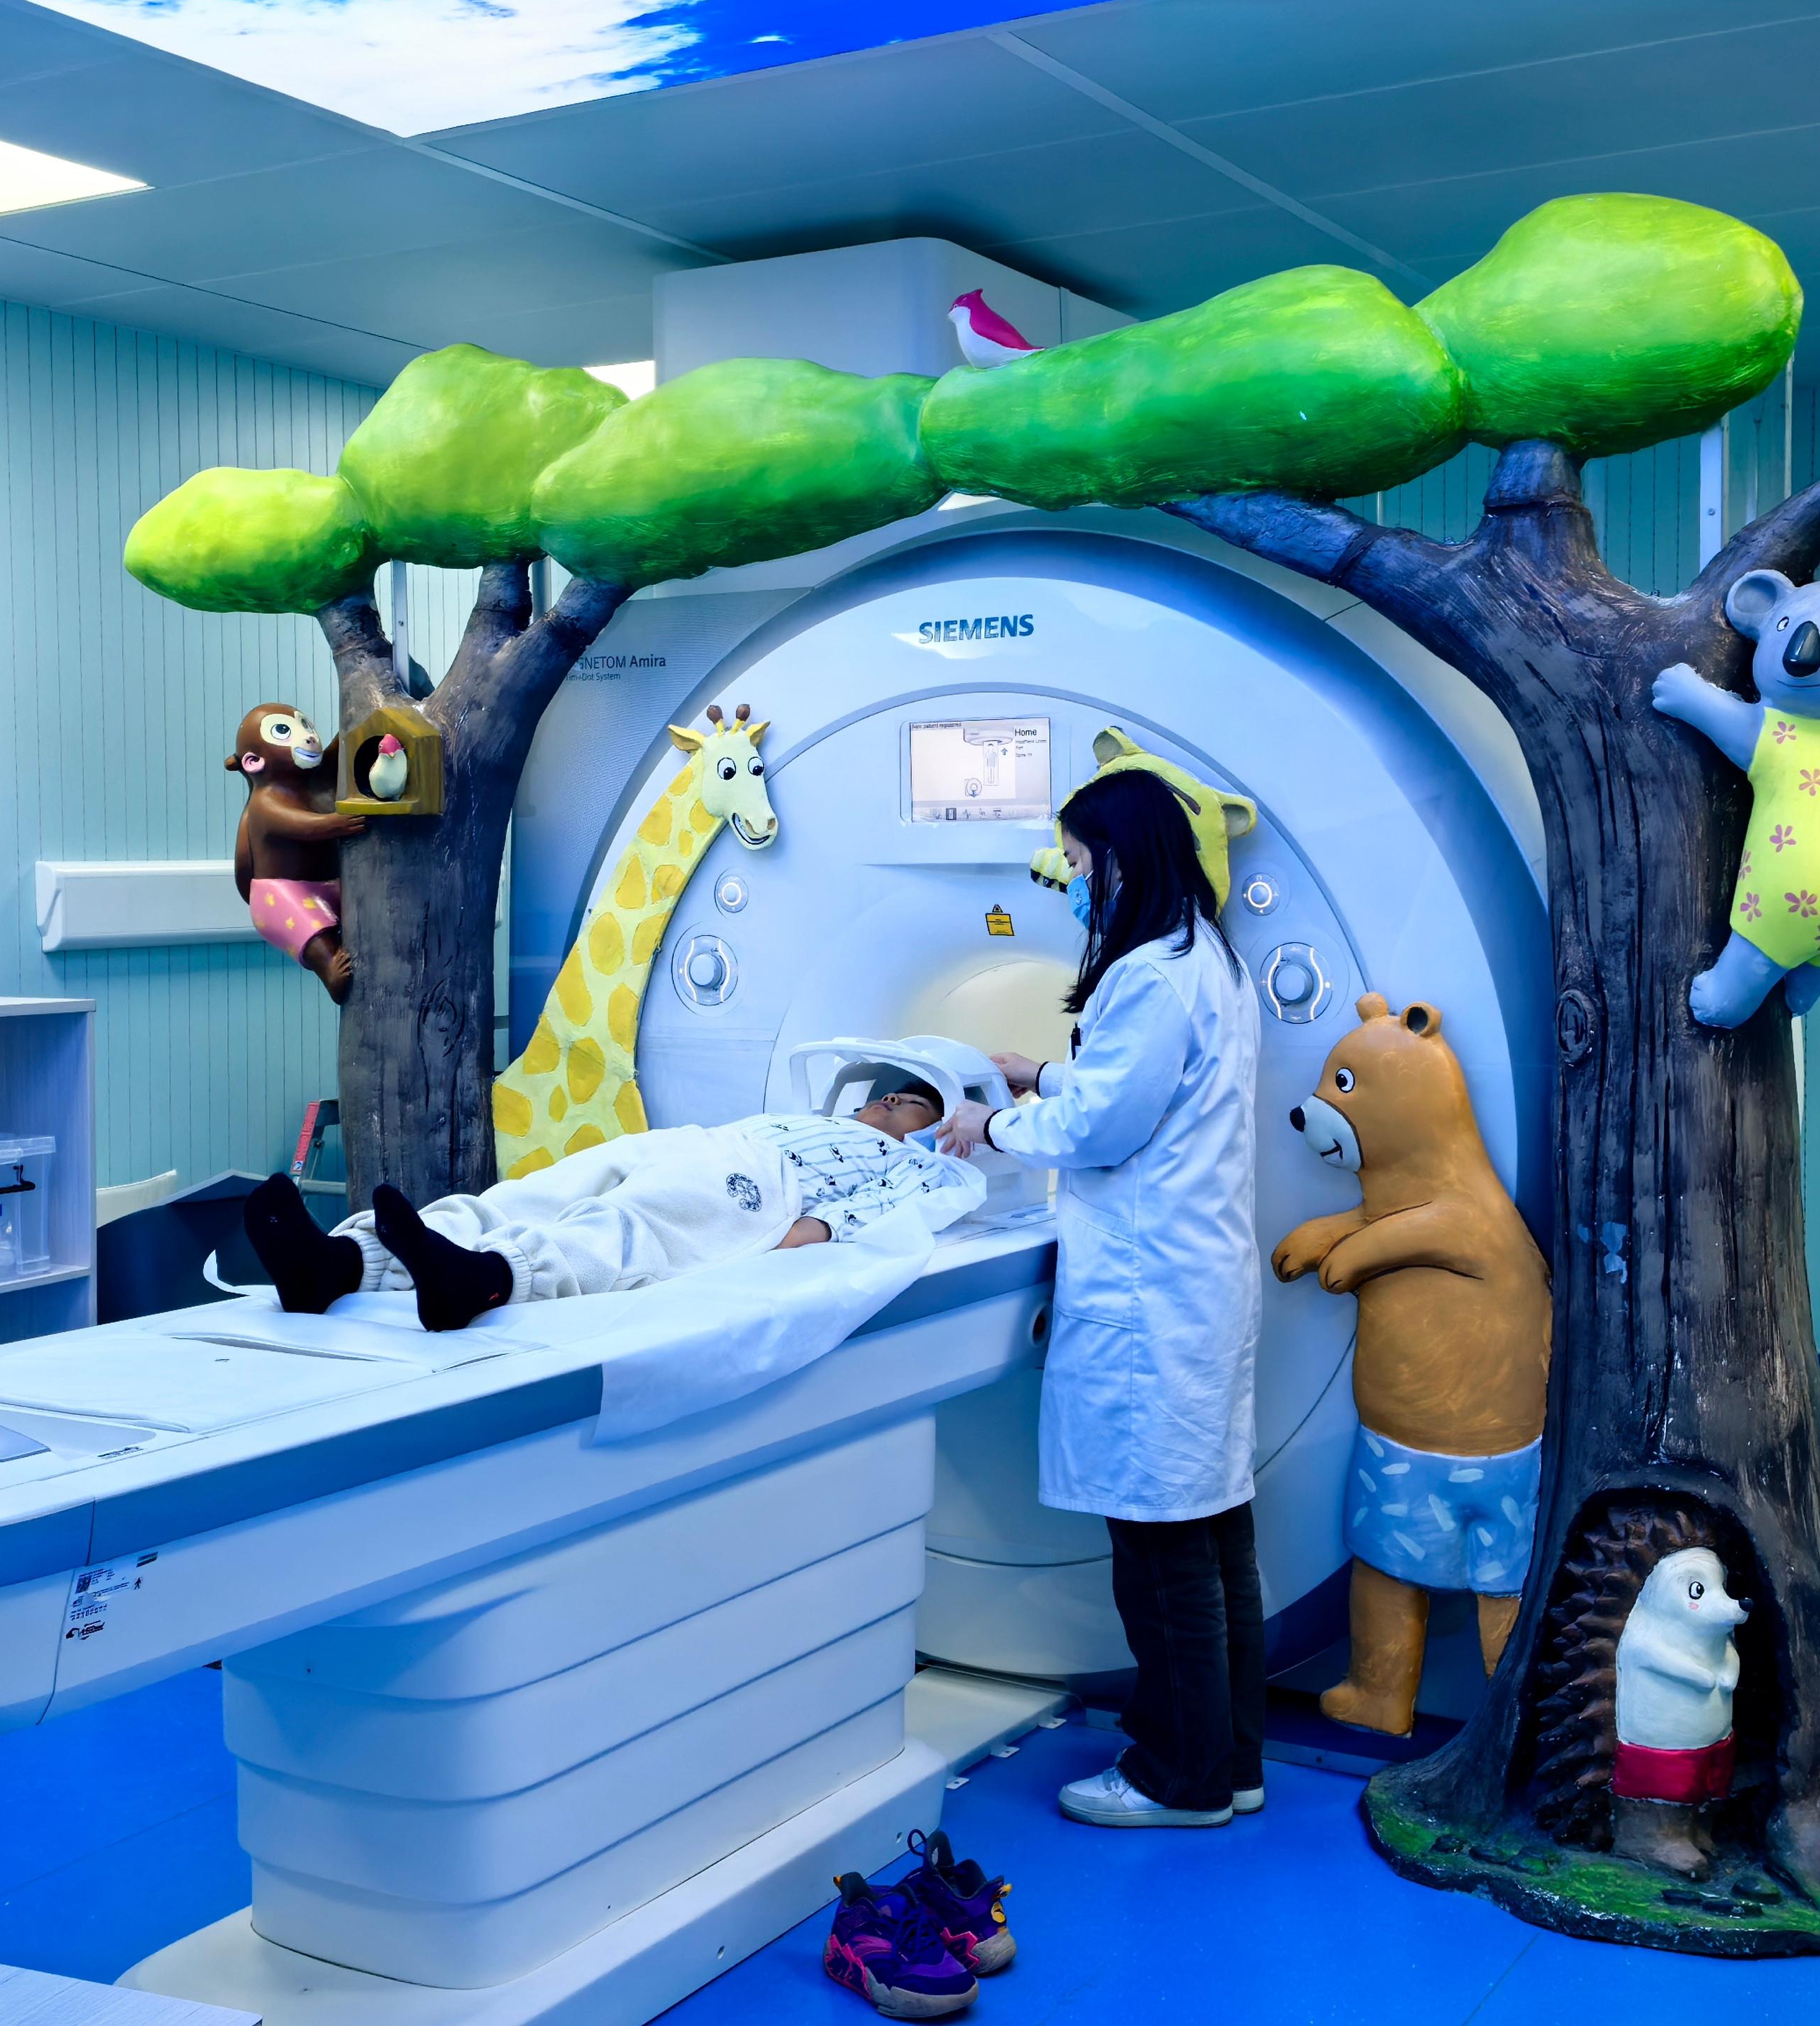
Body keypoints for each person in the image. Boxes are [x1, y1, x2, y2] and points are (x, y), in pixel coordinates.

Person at [938, 767, 1265, 1830]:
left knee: (1161, 1552)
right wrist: (1039, 1075)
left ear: (1122, 859)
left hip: (1151, 1292)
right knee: (1211, 1537)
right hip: (1194, 1281)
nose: (1072, 882)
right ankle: (1230, 1762)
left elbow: (1103, 1130)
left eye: (1078, 862)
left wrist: (990, 1125)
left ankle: (1179, 1780)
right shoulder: (1204, 960)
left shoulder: (1150, 978)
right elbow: (1138, 1092)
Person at [242, 1069, 970, 1331]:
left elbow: (885, 1208)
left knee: (628, 1224)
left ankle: (488, 1280)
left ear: (933, 1130)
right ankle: (342, 1264)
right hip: (705, 1140)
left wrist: (805, 1234)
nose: (888, 1102)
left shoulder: (913, 1161)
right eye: (886, 1094)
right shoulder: (811, 1114)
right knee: (532, 1193)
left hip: (764, 1185)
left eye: (909, 1103)